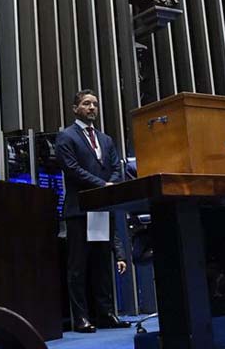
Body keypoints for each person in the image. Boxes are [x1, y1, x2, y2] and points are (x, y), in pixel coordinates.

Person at [56, 90, 130, 333]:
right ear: (75, 108)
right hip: (79, 209)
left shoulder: (106, 139)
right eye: (86, 104)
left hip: (101, 208)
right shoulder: (66, 136)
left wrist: (111, 185)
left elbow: (116, 167)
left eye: (95, 104)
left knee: (101, 264)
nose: (92, 108)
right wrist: (102, 186)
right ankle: (81, 318)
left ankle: (106, 314)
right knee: (78, 266)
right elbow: (72, 169)